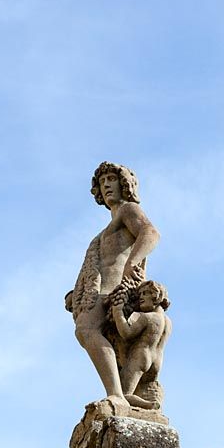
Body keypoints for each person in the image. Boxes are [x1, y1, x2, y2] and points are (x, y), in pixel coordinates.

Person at [66, 162, 160, 407]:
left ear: (125, 183)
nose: (106, 185)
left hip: (115, 290)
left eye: (111, 179)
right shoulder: (106, 229)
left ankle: (117, 395)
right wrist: (77, 293)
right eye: (102, 182)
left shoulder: (128, 210)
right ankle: (122, 392)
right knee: (87, 332)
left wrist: (132, 263)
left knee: (85, 330)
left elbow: (150, 233)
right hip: (99, 291)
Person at [111, 281, 171, 409]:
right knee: (139, 391)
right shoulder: (168, 322)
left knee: (121, 394)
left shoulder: (147, 317)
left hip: (140, 357)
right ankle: (147, 403)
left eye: (145, 293)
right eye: (140, 295)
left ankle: (148, 405)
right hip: (157, 362)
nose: (141, 298)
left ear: (156, 296)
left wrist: (118, 313)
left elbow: (126, 333)